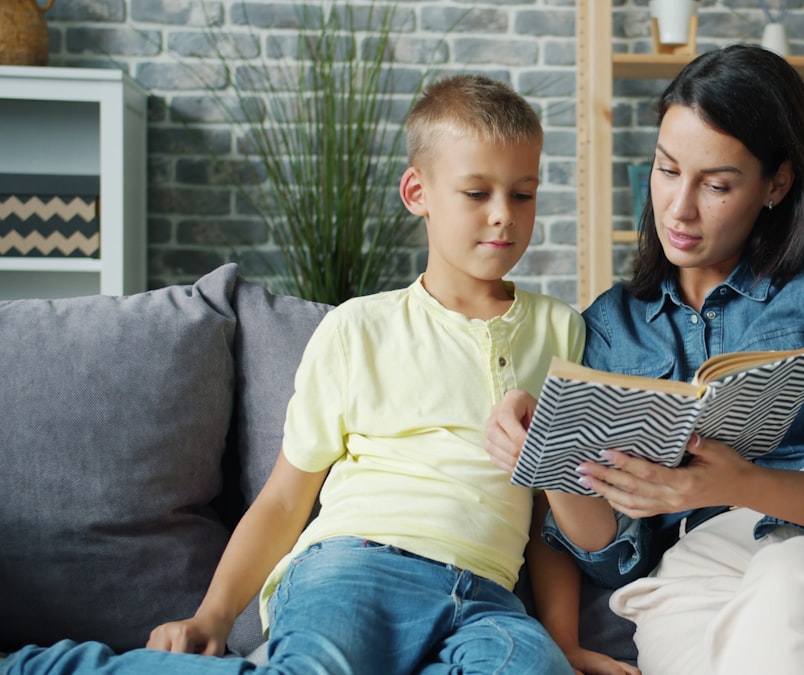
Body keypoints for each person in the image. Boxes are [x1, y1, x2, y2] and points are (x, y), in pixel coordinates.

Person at [2, 74, 637, 675]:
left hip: (487, 596)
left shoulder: (562, 332)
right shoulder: (359, 327)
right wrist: (214, 614)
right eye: (478, 193)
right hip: (359, 564)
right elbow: (284, 498)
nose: (504, 214)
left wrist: (563, 643)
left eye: (522, 194)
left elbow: (545, 521)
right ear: (417, 192)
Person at [485, 45, 804, 675]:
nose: (679, 208)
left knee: (790, 577)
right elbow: (611, 558)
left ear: (776, 184)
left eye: (718, 184)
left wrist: (738, 483)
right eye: (667, 170)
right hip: (694, 580)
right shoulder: (611, 326)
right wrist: (554, 457)